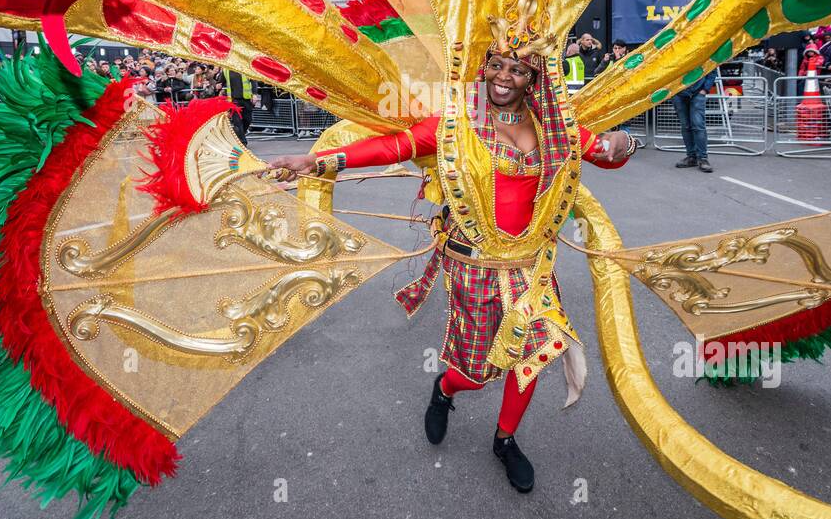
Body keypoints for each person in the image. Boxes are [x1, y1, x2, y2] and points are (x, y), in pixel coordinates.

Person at [267, 46, 634, 494]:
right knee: (478, 372)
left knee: (531, 356)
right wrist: (322, 161)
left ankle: (505, 440)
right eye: (496, 66)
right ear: (483, 69)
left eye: (518, 70)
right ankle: (445, 388)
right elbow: (394, 146)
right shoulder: (456, 123)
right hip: (473, 264)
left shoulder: (552, 126)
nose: (504, 77)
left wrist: (625, 143)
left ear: (532, 79)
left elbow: (605, 151)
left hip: (530, 264)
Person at [672, 68, 718, 173]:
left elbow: (712, 67)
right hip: (679, 93)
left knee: (698, 125)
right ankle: (691, 157)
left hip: (697, 92)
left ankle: (703, 158)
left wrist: (704, 89)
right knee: (686, 126)